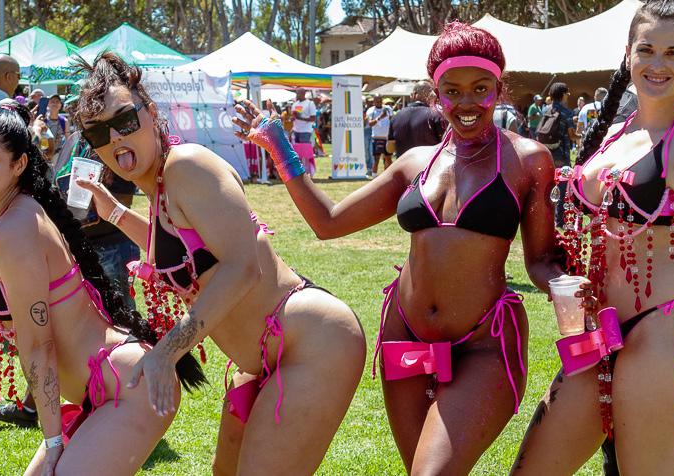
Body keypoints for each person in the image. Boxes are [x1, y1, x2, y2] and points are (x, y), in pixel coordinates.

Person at [240, 22, 560, 473]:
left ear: (498, 88)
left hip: (483, 343)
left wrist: (568, 285)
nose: (467, 103)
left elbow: (541, 260)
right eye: (452, 91)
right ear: (436, 94)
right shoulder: (414, 163)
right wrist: (278, 146)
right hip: (404, 335)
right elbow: (328, 223)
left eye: (480, 88)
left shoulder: (528, 160)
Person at [72, 52, 365, 474]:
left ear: (150, 113)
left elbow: (242, 267)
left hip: (312, 344)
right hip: (262, 359)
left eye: (125, 120)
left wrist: (167, 352)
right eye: (98, 132)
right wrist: (115, 212)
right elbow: (179, 250)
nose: (115, 137)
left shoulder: (188, 166)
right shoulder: (161, 185)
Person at [512, 2, 674, 473]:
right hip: (594, 335)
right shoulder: (612, 135)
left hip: (661, 335)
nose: (658, 64)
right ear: (628, 53)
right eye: (647, 49)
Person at [0, 103, 208, 473]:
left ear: (19, 165)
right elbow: (35, 292)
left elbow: (39, 346)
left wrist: (53, 442)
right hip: (104, 386)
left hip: (127, 389)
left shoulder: (14, 227)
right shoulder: (15, 214)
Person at [0, 122, 144, 428]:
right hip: (78, 245)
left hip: (112, 246)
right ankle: (35, 404)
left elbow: (123, 196)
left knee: (118, 322)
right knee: (59, 324)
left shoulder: (112, 141)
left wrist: (88, 214)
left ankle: (129, 405)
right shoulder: (72, 140)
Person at [387, 80, 444, 157]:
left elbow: (390, 149)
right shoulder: (436, 115)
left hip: (403, 163)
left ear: (413, 95)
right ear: (432, 95)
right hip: (428, 163)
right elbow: (446, 145)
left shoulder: (396, 116)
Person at [366, 94, 393, 175]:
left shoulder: (388, 109)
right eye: (377, 101)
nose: (379, 102)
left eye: (380, 101)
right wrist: (380, 117)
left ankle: (388, 176)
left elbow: (392, 120)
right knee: (376, 159)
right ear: (374, 102)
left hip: (387, 137)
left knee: (388, 159)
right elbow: (370, 124)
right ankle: (374, 176)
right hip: (377, 137)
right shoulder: (371, 110)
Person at [44, 94, 68, 163]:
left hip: (58, 155)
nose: (55, 104)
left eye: (57, 102)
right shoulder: (43, 120)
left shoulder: (64, 121)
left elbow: (68, 139)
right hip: (43, 154)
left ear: (60, 105)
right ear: (48, 104)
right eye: (52, 101)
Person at [363, 95, 374, 177]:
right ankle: (368, 168)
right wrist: (364, 119)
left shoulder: (374, 109)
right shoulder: (363, 110)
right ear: (366, 102)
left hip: (373, 130)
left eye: (372, 101)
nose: (371, 103)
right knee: (366, 151)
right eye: (369, 101)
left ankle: (371, 169)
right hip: (365, 131)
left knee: (371, 151)